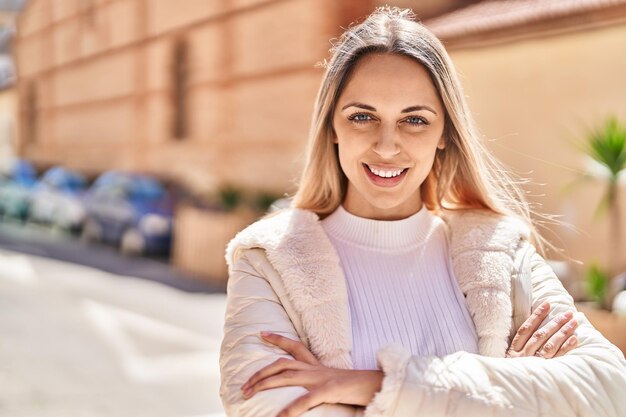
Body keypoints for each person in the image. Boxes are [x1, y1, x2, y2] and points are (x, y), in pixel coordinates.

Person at [219, 6, 626, 417]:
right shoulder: (268, 262)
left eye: (414, 120)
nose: (387, 146)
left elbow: (610, 388)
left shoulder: (503, 255)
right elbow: (266, 407)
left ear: (445, 133)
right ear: (331, 127)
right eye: (362, 116)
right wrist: (499, 393)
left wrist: (370, 386)